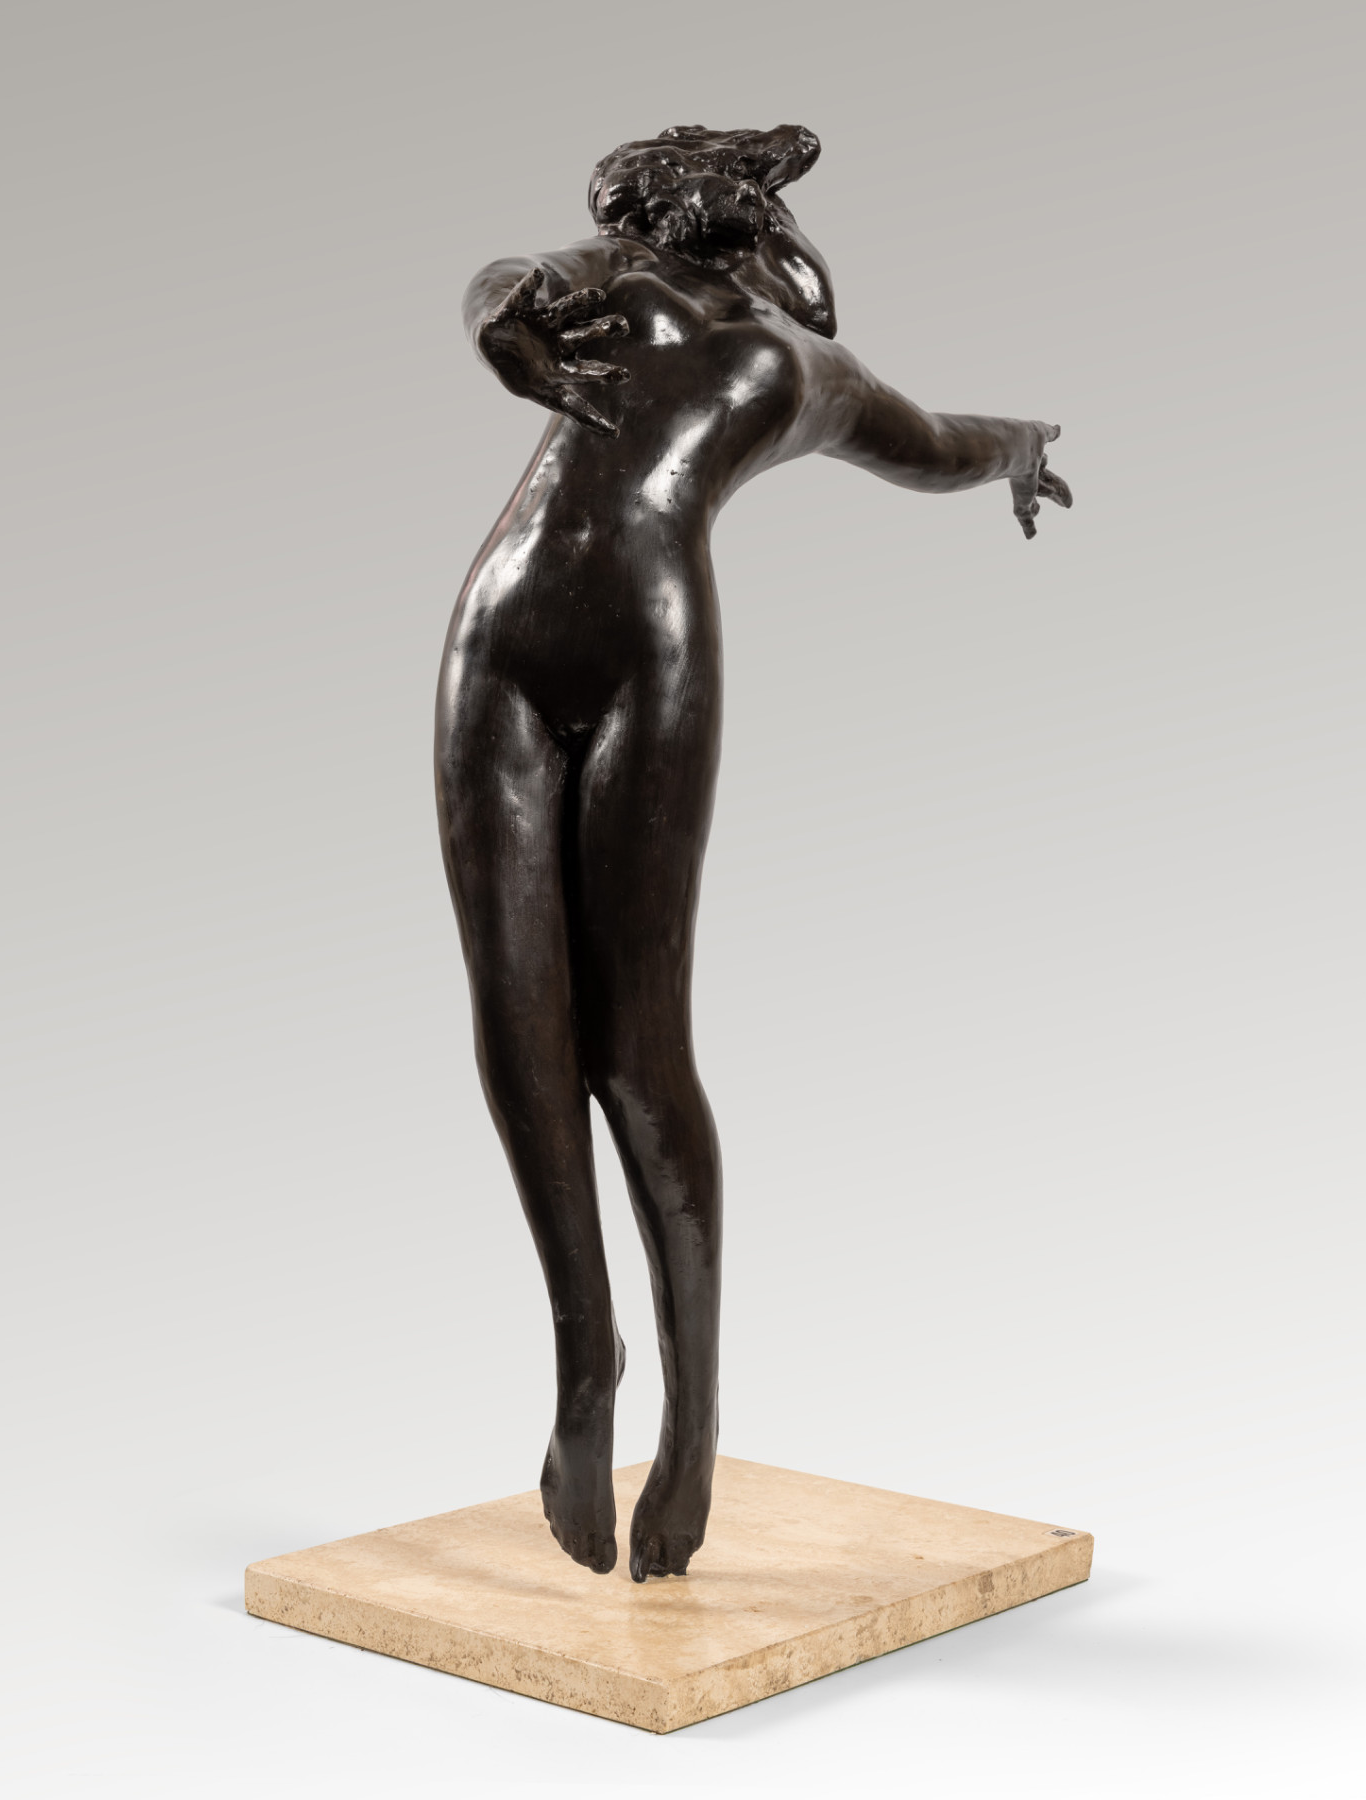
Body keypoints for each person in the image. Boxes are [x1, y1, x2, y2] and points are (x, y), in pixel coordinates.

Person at [434, 125, 1072, 1583]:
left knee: (634, 1048)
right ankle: (584, 1361)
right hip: (498, 642)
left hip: (652, 649)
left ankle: (695, 1414)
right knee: (518, 1021)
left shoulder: (808, 365)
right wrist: (508, 338)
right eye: (738, 176)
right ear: (680, 190)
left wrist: (1023, 445)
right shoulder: (601, 280)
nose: (765, 195)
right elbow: (495, 280)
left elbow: (935, 446)